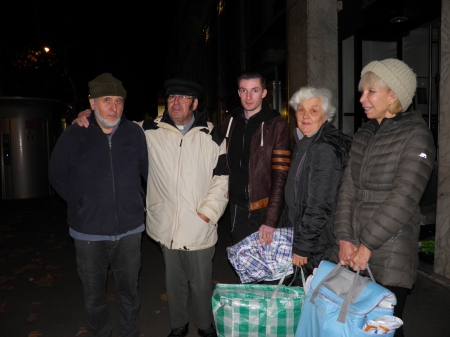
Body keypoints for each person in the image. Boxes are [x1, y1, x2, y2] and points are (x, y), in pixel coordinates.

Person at [74, 78, 229, 337]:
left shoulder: (212, 135)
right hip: (166, 222)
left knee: (201, 282)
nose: (175, 102)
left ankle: (204, 326)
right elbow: (112, 122)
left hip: (199, 222)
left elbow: (222, 178)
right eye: (171, 98)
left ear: (195, 103)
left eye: (182, 97)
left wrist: (209, 212)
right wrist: (87, 115)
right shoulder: (147, 129)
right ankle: (178, 326)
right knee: (174, 280)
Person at [331, 58, 436, 337]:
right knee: (352, 325)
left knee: (381, 328)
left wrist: (367, 245)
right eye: (362, 91)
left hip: (391, 247)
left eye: (370, 91)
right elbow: (348, 187)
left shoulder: (417, 135)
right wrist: (344, 237)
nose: (362, 98)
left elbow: (405, 197)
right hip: (353, 242)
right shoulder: (364, 133)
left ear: (393, 95)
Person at [48, 73, 148, 337]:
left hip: (129, 231)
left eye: (118, 100)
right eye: (106, 100)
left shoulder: (135, 133)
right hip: (88, 233)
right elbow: (56, 174)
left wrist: (137, 202)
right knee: (94, 300)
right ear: (92, 104)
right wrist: (81, 202)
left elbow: (147, 172)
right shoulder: (74, 134)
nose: (113, 107)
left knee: (129, 295)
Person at [277, 86, 352, 280]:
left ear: (326, 116)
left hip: (317, 245)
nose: (305, 116)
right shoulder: (306, 142)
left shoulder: (325, 148)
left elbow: (320, 204)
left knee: (310, 299)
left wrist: (303, 247)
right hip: (305, 236)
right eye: (301, 110)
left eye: (313, 111)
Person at [219, 70, 291, 248]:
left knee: (265, 269)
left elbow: (281, 176)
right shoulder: (230, 121)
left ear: (264, 93)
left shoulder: (277, 126)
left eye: (255, 90)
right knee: (242, 264)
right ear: (238, 93)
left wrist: (271, 219)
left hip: (263, 208)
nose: (248, 96)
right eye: (244, 90)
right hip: (236, 206)